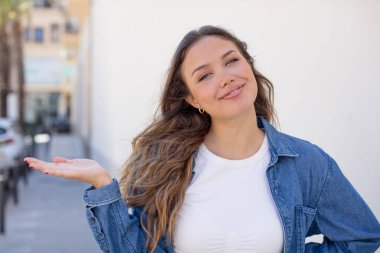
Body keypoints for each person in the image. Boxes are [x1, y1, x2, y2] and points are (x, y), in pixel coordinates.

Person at [24, 25, 380, 253]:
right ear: (193, 99)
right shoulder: (164, 162)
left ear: (249, 68)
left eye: (232, 61)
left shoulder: (308, 164)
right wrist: (103, 185)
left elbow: (362, 236)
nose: (225, 77)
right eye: (205, 75)